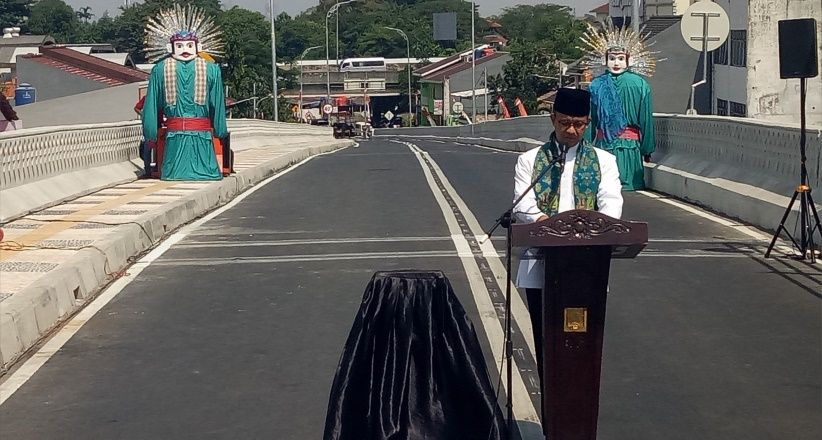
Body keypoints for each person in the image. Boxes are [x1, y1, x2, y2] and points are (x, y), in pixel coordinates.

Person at [512, 88, 623, 400]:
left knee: (584, 348)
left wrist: (591, 230)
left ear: (587, 122)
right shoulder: (530, 161)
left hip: (588, 267)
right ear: (552, 119)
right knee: (548, 344)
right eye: (564, 123)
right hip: (541, 266)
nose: (571, 130)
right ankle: (552, 417)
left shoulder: (605, 162)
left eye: (579, 124)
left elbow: (612, 205)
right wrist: (546, 226)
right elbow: (522, 206)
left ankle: (580, 418)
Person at [141, 4, 228, 181]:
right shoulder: (211, 69)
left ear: (198, 46)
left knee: (173, 169)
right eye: (180, 45)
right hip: (197, 134)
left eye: (189, 45)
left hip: (176, 134)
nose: (185, 49)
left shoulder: (160, 69)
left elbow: (151, 106)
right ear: (170, 47)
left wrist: (151, 132)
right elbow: (217, 105)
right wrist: (220, 130)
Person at [581, 21, 657, 191]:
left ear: (629, 60)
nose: (616, 63)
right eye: (612, 58)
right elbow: (646, 121)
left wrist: (585, 146)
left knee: (603, 190)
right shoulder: (640, 85)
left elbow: (589, 121)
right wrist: (647, 148)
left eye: (620, 59)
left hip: (605, 146)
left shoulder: (595, 85)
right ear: (605, 60)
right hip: (628, 147)